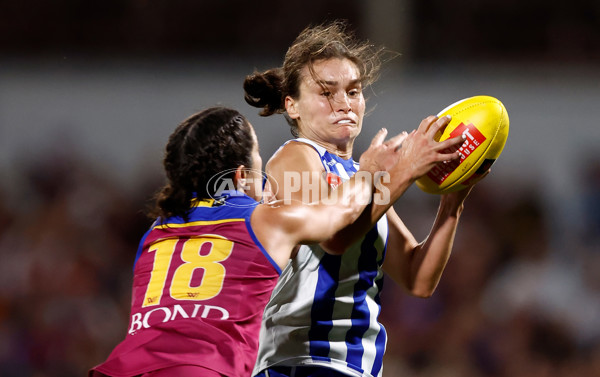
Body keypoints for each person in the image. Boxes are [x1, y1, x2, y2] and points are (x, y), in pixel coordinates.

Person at [88, 106, 411, 377]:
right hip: (203, 369)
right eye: (258, 160)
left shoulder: (155, 232)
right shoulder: (265, 219)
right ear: (241, 176)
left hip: (124, 367)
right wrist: (369, 171)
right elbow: (338, 219)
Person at [243, 20, 478, 377]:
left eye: (353, 91)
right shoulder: (296, 156)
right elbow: (334, 238)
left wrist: (452, 202)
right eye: (326, 92)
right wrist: (405, 170)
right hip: (300, 363)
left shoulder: (362, 176)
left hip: (354, 368)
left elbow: (419, 278)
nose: (344, 104)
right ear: (292, 106)